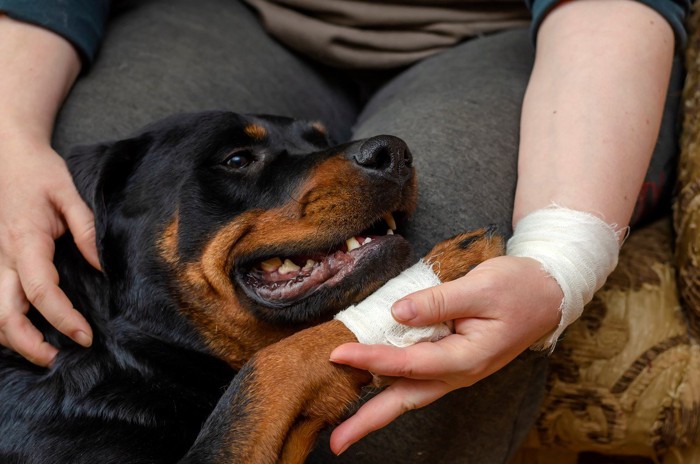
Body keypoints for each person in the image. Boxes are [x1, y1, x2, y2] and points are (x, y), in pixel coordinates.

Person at [0, 0, 688, 462]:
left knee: (424, 348)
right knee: (58, 235)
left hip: (522, 32)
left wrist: (562, 257)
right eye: (242, 163)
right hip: (220, 14)